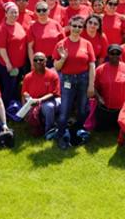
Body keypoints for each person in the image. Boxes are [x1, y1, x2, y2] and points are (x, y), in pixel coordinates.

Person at [53, 16, 96, 150]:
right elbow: (57, 67)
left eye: (79, 26)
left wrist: (91, 85)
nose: (76, 29)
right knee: (65, 111)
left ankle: (74, 132)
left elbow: (92, 65)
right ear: (69, 26)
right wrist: (63, 59)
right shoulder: (61, 44)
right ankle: (61, 136)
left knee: (83, 110)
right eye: (74, 26)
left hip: (83, 79)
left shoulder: (87, 44)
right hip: (67, 80)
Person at [94, 45, 125, 130]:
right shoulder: (100, 69)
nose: (115, 56)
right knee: (102, 130)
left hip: (124, 110)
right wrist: (99, 97)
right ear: (108, 54)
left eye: (117, 53)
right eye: (112, 53)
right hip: (105, 109)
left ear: (120, 55)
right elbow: (93, 87)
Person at [0, 2, 28, 106]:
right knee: (8, 88)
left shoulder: (18, 25)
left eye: (16, 12)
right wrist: (8, 63)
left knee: (15, 87)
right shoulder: (3, 28)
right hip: (8, 65)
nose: (14, 15)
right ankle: (3, 110)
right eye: (12, 12)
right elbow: (1, 48)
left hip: (19, 64)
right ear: (6, 14)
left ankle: (12, 107)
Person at [22, 52, 61, 137]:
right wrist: (24, 108)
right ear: (33, 62)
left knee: (49, 107)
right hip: (32, 101)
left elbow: (53, 93)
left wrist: (40, 100)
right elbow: (24, 93)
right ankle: (36, 128)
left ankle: (48, 132)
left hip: (48, 100)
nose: (38, 62)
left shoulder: (52, 75)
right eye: (36, 60)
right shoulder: (28, 76)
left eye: (41, 60)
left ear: (45, 61)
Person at [27, 1, 65, 67]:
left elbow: (63, 43)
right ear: (35, 12)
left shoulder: (56, 24)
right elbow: (30, 47)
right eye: (39, 10)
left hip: (55, 60)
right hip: (39, 60)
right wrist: (32, 63)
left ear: (48, 11)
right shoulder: (32, 27)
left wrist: (62, 59)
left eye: (44, 10)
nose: (41, 12)